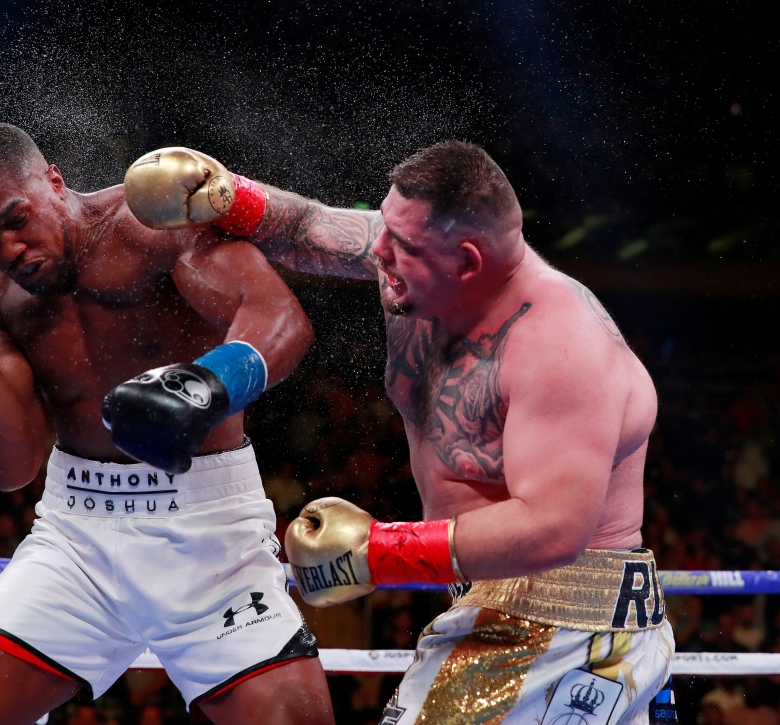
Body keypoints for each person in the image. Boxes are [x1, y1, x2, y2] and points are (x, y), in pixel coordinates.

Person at [125, 141, 675, 724]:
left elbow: (555, 526)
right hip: (506, 607)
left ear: (467, 261)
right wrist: (228, 197)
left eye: (401, 245)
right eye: (386, 228)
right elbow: (311, 227)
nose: (378, 250)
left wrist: (377, 553)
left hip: (564, 623)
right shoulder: (415, 267)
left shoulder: (560, 347)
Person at [0, 124, 332, 725]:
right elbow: (10, 467)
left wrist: (207, 384)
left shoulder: (149, 225)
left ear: (54, 182)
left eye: (17, 219)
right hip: (77, 540)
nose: (9, 249)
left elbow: (279, 316)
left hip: (208, 534)